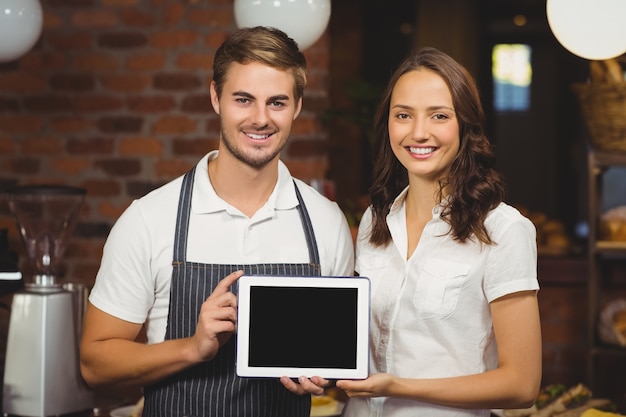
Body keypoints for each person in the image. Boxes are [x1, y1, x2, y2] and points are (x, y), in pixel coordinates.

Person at [79, 26, 354, 417]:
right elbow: (94, 363)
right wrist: (193, 347)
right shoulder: (150, 218)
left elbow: (333, 360)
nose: (260, 119)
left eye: (277, 102)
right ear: (215, 98)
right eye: (243, 100)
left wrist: (321, 376)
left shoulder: (325, 223)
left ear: (297, 107)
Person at [336, 47, 542, 417]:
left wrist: (397, 386)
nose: (419, 132)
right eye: (403, 115)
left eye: (439, 116)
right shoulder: (374, 221)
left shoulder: (503, 230)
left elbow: (521, 384)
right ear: (387, 125)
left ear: (465, 124)